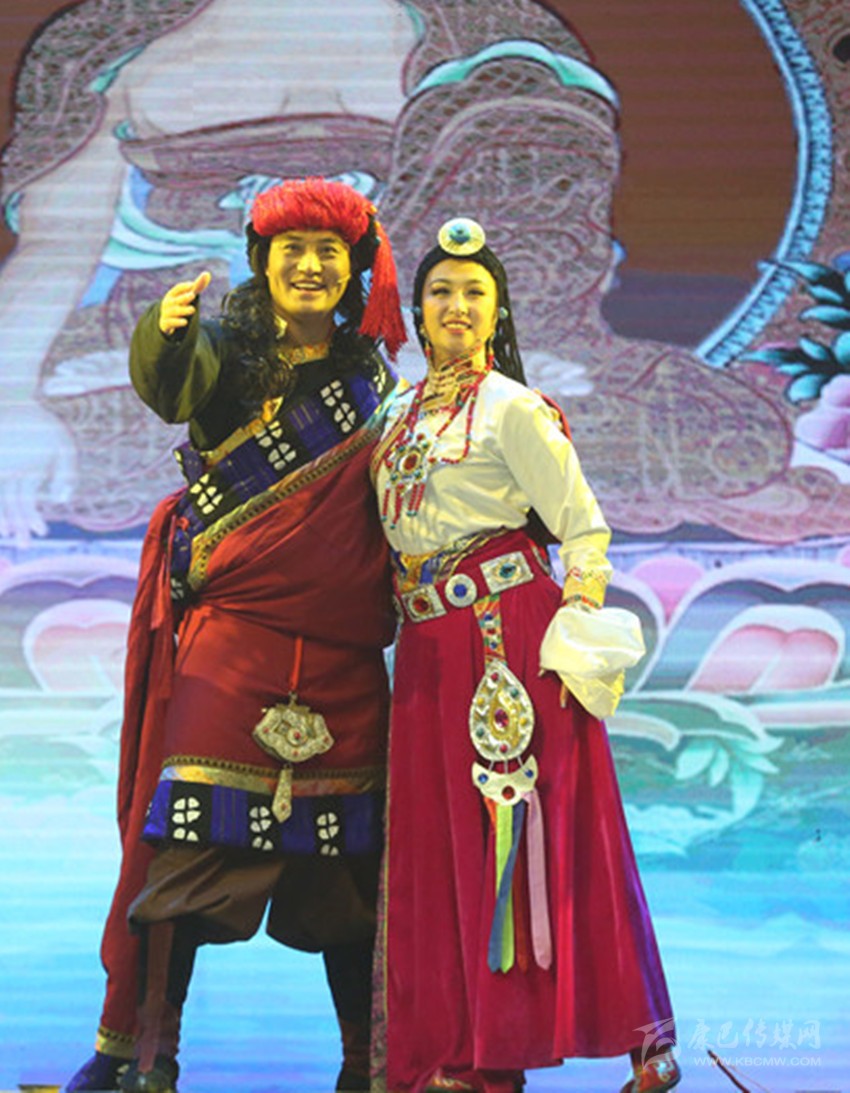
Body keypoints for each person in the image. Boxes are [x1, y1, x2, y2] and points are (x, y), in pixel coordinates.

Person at [65, 176, 407, 1093]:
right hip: (233, 646)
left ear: (355, 270)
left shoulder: (378, 384)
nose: (311, 265)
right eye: (292, 249)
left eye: (329, 251)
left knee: (351, 868)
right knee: (186, 846)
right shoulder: (224, 350)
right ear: (263, 263)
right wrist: (167, 331)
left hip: (343, 657)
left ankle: (367, 1065)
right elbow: (171, 386)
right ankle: (149, 1058)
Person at [370, 219, 680, 1093]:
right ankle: (467, 1054)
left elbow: (583, 531)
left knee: (542, 834)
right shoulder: (393, 415)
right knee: (441, 848)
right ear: (416, 313)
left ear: (498, 311)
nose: (456, 305)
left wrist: (572, 638)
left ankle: (644, 1043)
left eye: (474, 292)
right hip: (426, 651)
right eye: (440, 291)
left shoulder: (514, 407)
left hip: (506, 644)